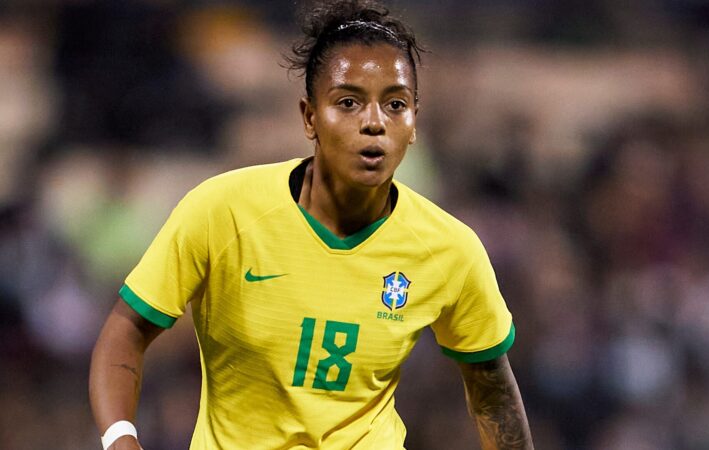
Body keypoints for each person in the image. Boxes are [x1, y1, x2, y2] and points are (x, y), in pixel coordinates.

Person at [89, 1, 534, 449]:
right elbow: (126, 332)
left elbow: (494, 394)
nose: (374, 123)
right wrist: (121, 440)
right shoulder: (223, 209)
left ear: (414, 122)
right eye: (348, 102)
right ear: (309, 116)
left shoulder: (450, 249)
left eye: (395, 104)